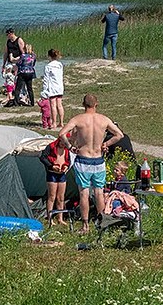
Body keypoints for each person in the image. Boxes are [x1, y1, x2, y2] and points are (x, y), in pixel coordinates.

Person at [57, 94, 123, 235]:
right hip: (98, 160)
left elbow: (62, 133)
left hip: (83, 159)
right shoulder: (103, 119)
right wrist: (106, 143)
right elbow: (119, 135)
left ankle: (85, 225)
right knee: (99, 192)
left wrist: (69, 146)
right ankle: (102, 223)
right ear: (96, 104)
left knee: (84, 193)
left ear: (83, 104)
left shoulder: (78, 119)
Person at [39, 134, 72, 226]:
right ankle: (50, 218)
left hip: (61, 174)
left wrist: (66, 167)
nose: (63, 145)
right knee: (52, 196)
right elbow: (42, 157)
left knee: (61, 198)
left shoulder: (66, 149)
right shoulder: (51, 146)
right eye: (62, 142)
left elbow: (68, 160)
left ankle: (60, 218)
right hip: (52, 173)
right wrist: (51, 166)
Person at [42, 49, 65, 129]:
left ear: (49, 56)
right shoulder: (60, 65)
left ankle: (54, 123)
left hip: (52, 87)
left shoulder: (48, 66)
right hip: (60, 86)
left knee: (53, 105)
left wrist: (45, 90)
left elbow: (46, 79)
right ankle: (61, 122)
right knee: (60, 105)